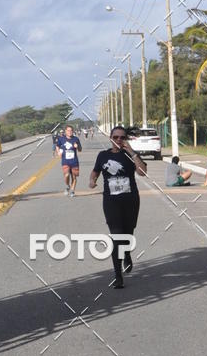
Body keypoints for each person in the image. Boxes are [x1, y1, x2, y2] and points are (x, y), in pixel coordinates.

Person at [90, 125, 146, 289]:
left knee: (128, 234)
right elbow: (95, 172)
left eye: (122, 137)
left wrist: (132, 152)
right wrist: (92, 181)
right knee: (117, 237)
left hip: (131, 201)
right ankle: (117, 275)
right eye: (116, 137)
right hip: (111, 202)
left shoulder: (130, 156)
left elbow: (142, 172)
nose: (119, 140)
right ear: (110, 138)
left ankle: (127, 254)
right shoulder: (103, 155)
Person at [56, 124, 82, 196]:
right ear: (65, 131)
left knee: (74, 177)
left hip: (74, 161)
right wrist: (58, 152)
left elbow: (80, 150)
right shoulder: (61, 139)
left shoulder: (76, 139)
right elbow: (57, 146)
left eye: (71, 130)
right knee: (66, 175)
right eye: (68, 130)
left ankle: (72, 191)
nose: (70, 132)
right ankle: (67, 186)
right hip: (65, 161)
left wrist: (77, 147)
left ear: (72, 131)